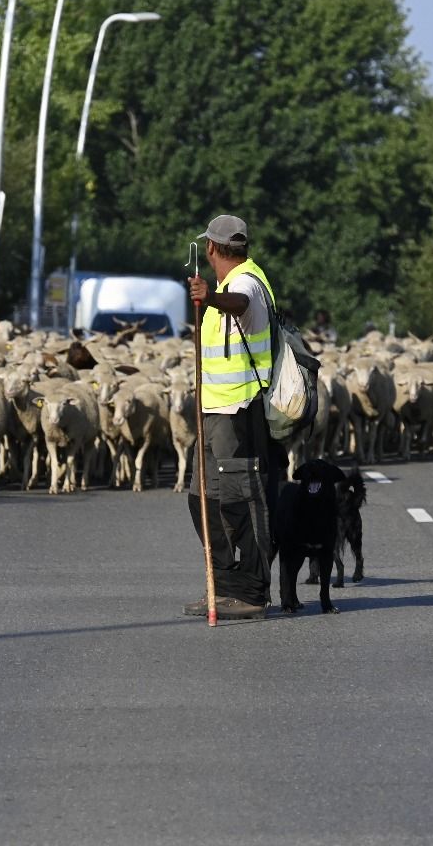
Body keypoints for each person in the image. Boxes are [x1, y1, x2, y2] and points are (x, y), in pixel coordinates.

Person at [183, 213, 279, 620]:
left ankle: (253, 591)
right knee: (201, 498)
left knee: (241, 501)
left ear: (210, 248)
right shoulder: (227, 283)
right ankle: (222, 582)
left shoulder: (245, 283)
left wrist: (211, 298)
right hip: (214, 412)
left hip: (239, 414)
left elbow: (239, 305)